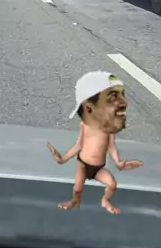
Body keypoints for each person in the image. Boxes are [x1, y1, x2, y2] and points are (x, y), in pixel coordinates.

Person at [47, 71, 142, 215]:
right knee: (77, 189)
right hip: (83, 165)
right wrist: (63, 159)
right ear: (88, 108)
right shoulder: (85, 126)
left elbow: (111, 146)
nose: (124, 103)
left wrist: (118, 162)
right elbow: (79, 145)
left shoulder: (109, 128)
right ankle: (75, 200)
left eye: (122, 95)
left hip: (98, 168)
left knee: (112, 184)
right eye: (112, 97)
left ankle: (105, 200)